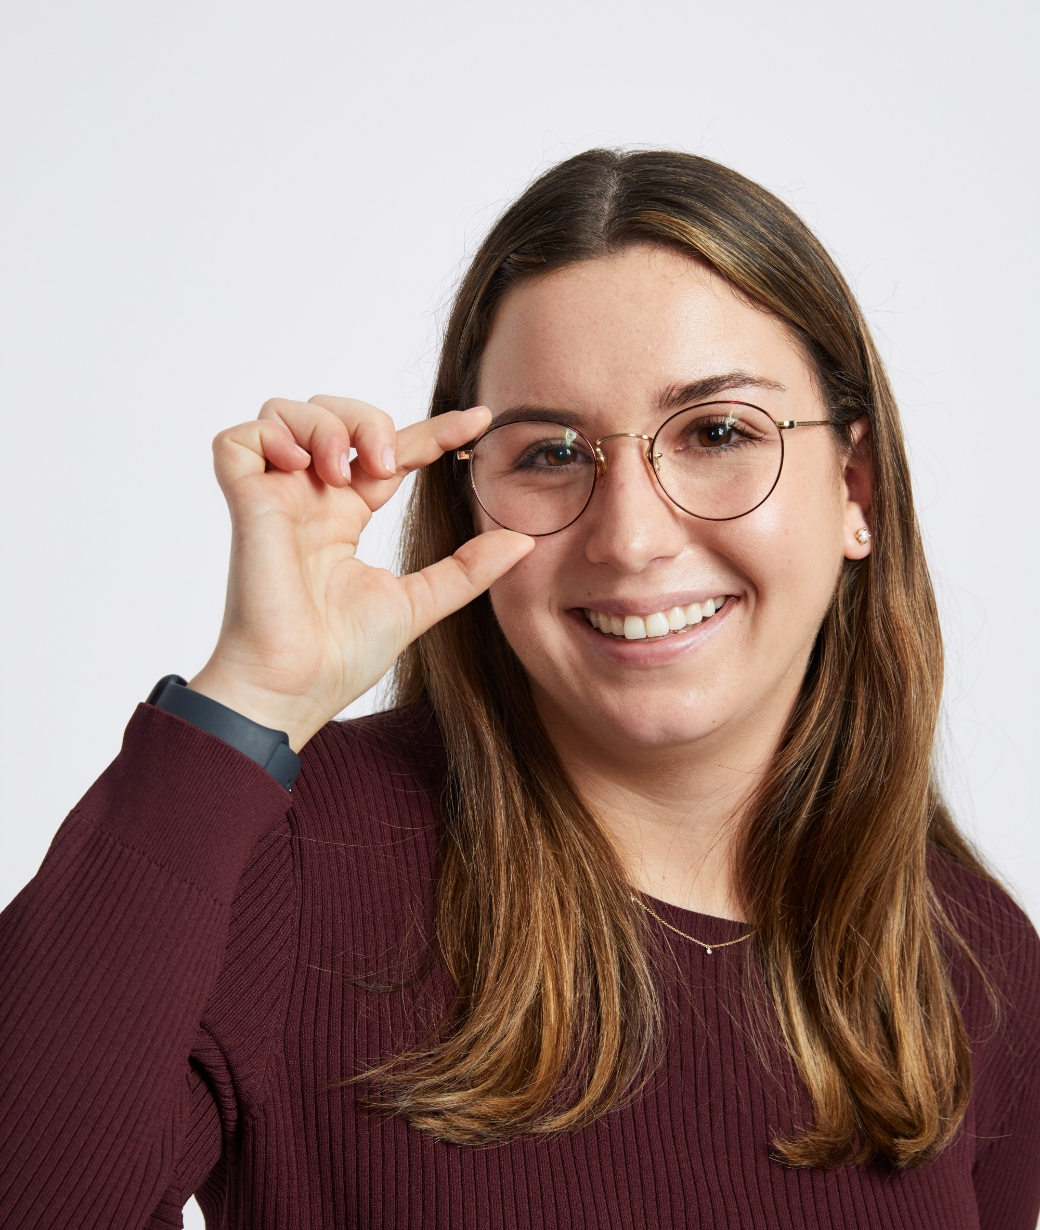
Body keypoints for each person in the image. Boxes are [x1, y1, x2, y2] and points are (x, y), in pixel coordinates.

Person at [1, 149, 1037, 1230]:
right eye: (548, 452)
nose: (630, 537)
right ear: (470, 502)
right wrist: (249, 699)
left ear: (854, 489)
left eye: (719, 433)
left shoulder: (972, 954)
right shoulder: (294, 853)